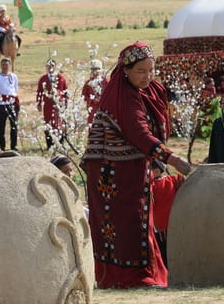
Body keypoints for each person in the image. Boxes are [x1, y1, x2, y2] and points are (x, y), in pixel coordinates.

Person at [82, 41, 192, 289]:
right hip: (111, 171)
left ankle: (143, 275)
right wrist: (170, 158)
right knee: (128, 222)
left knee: (139, 220)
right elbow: (138, 131)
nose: (147, 76)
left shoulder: (150, 90)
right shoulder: (123, 96)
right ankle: (131, 277)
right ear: (125, 70)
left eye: (151, 70)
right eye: (141, 71)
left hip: (133, 166)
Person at [36, 58, 69, 149]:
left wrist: (66, 103)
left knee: (60, 123)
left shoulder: (61, 78)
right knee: (48, 124)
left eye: (52, 65)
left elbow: (65, 91)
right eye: (48, 65)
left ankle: (60, 143)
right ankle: (49, 144)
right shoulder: (43, 79)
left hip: (59, 105)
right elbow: (39, 91)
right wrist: (38, 103)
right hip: (48, 105)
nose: (50, 67)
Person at [0, 56, 20, 151]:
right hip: (1, 104)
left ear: (10, 66)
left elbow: (15, 88)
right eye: (3, 65)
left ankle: (14, 146)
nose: (5, 67)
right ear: (1, 66)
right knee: (1, 127)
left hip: (11, 104)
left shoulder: (14, 77)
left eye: (7, 65)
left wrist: (11, 99)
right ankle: (2, 146)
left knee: (14, 126)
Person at [81, 58, 108, 126]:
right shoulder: (88, 83)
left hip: (103, 109)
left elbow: (110, 94)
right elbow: (83, 96)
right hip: (92, 109)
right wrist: (92, 100)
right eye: (93, 69)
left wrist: (102, 99)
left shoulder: (105, 82)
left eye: (96, 69)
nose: (94, 71)